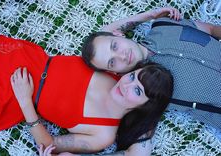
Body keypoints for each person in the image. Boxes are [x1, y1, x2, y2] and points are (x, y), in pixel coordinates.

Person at [0, 35, 173, 155]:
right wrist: (148, 15)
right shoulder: (113, 69)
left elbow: (49, 145)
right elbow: (106, 39)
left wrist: (25, 101)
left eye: (137, 90)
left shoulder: (104, 134)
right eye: (132, 76)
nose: (126, 84)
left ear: (145, 106)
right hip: (25, 58)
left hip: (11, 94)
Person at [81, 7, 221, 131]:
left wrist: (150, 15)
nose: (121, 56)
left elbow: (211, 30)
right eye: (112, 62)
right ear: (113, 72)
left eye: (114, 46)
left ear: (118, 34)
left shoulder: (164, 24)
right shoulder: (146, 94)